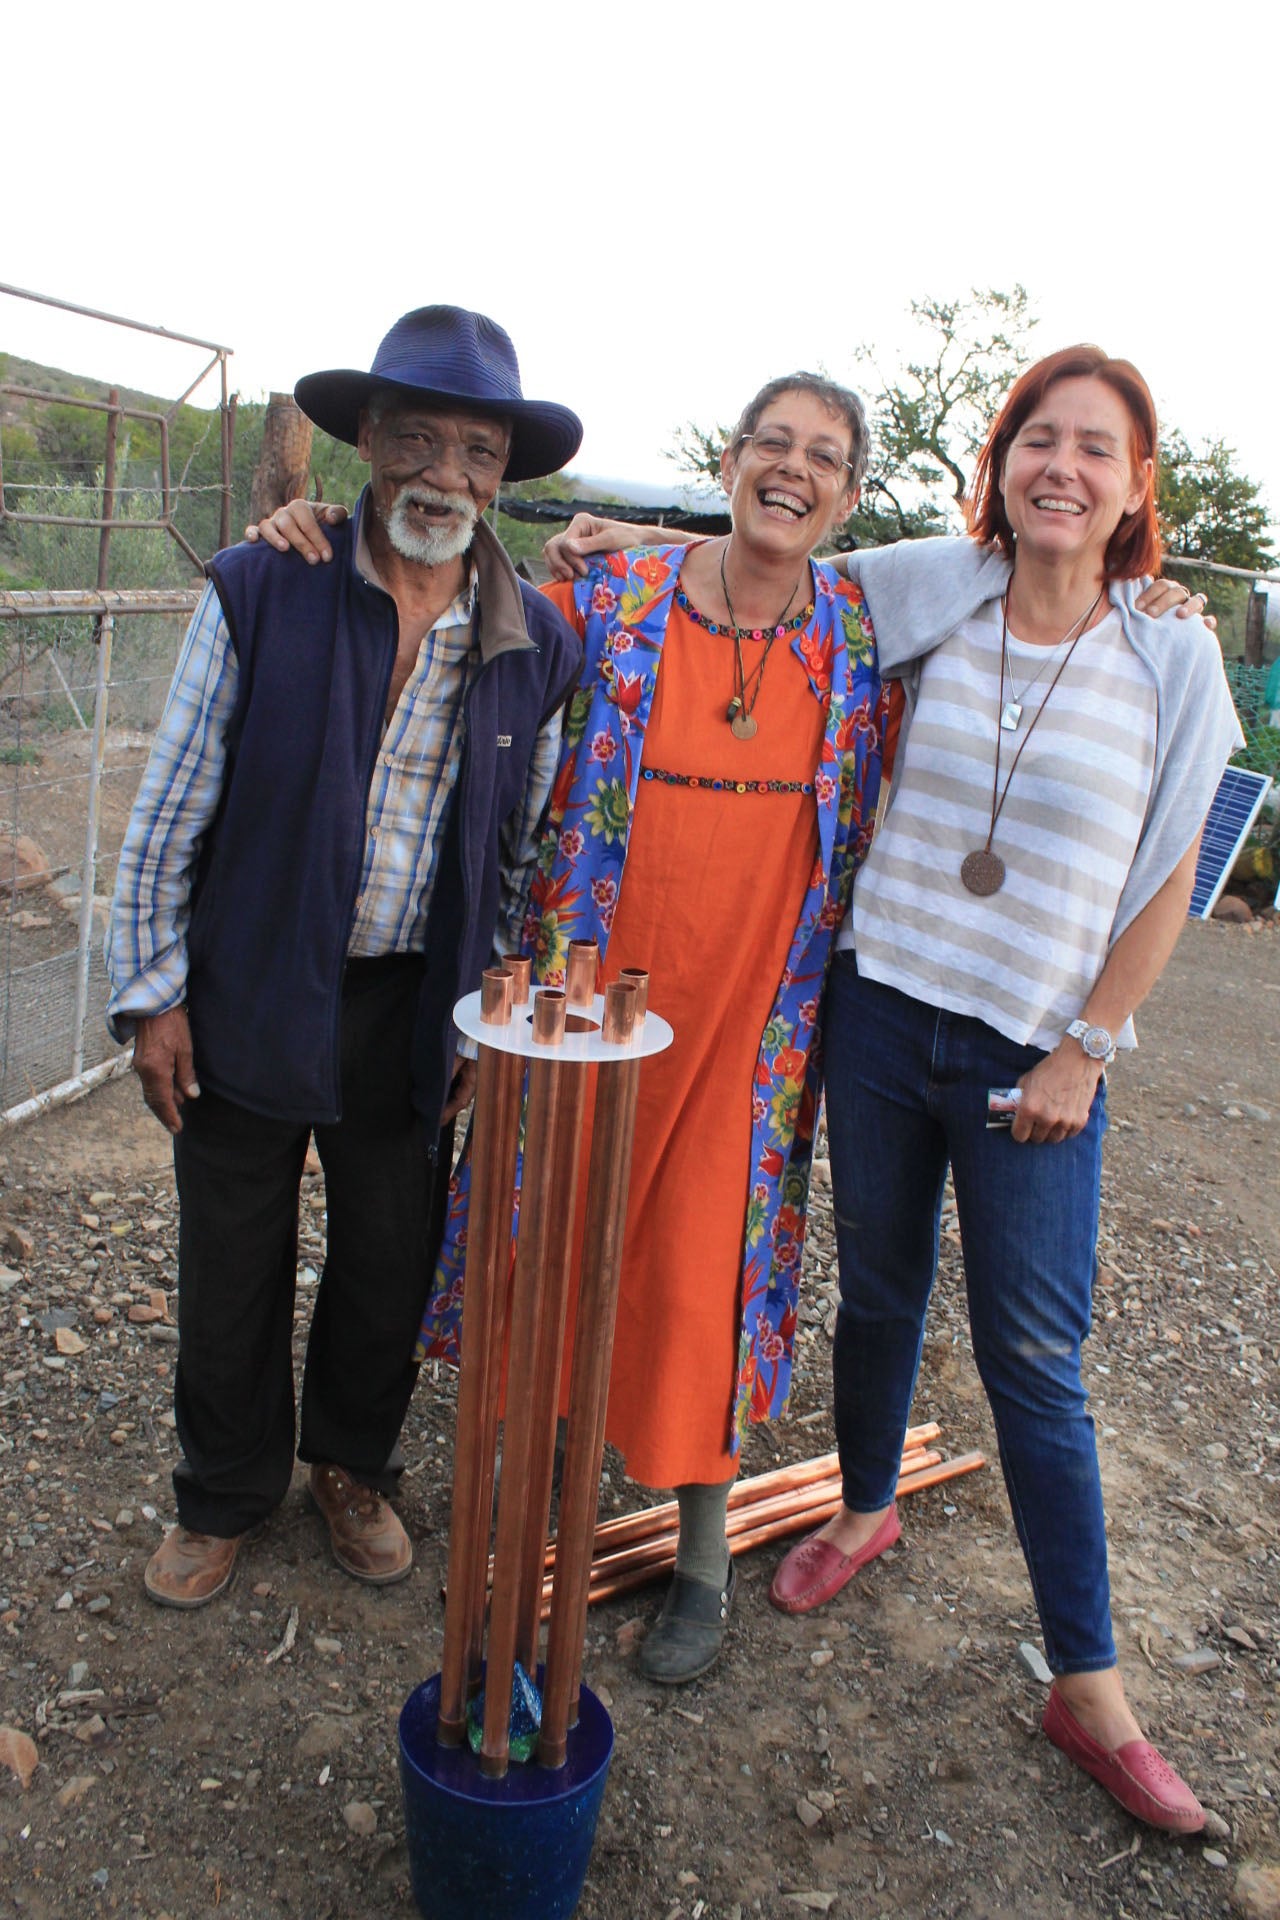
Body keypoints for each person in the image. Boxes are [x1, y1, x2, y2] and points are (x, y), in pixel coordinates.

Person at [545, 345, 1235, 1830]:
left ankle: (1091, 1684)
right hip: (874, 1010)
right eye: (1038, 440)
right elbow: (775, 554)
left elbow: (1177, 865)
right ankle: (862, 1509)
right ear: (998, 468)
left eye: (1095, 450)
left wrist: (1088, 1045)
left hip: (1024, 1052)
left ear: (1133, 487)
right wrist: (628, 540)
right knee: (873, 1288)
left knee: (1034, 1359)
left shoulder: (1171, 652)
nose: (1062, 467)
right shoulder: (945, 587)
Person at [253, 372, 890, 1682]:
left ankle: (701, 1562)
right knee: (542, 1250)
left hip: (747, 1039)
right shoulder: (608, 601)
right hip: (582, 1006)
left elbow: (1024, 577)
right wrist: (318, 535)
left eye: (823, 456)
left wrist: (1146, 593)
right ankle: (517, 1520)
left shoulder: (864, 637)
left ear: (851, 493)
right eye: (772, 442)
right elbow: (439, 604)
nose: (793, 469)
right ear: (727, 459)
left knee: (701, 1276)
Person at [106, 306, 584, 1609]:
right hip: (252, 970)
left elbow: (524, 849)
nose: (444, 472)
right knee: (233, 1244)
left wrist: (493, 1003)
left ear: (503, 474)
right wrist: (153, 991)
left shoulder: (538, 641)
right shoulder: (264, 584)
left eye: (475, 449)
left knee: (390, 1247)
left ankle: (351, 1468)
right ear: (368, 440)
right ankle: (222, 1494)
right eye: (417, 436)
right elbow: (172, 800)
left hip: (413, 997)